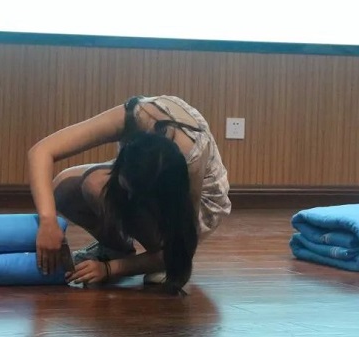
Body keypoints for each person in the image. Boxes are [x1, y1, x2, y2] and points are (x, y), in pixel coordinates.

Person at [27, 95, 230, 294]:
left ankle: (157, 260)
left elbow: (183, 247)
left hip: (197, 200)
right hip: (149, 177)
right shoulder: (135, 115)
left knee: (172, 252)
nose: (126, 200)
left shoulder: (191, 158)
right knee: (66, 188)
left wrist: (111, 269)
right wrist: (48, 220)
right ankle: (115, 248)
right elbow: (41, 151)